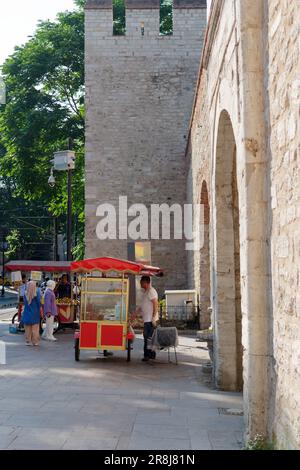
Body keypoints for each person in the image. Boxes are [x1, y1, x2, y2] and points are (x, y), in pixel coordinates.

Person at [138, 276, 159, 362]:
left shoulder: (151, 291)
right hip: (147, 319)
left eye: (141, 282)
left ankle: (148, 355)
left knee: (148, 338)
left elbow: (155, 304)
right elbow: (142, 306)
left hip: (150, 320)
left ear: (145, 282)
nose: (140, 284)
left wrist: (153, 317)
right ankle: (150, 355)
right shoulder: (145, 292)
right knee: (148, 338)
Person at [22, 281, 41, 346]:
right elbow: (39, 302)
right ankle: (35, 342)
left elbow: (24, 302)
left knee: (27, 328)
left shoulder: (25, 293)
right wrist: (40, 309)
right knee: (35, 329)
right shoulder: (37, 292)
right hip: (35, 312)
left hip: (27, 312)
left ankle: (28, 341)